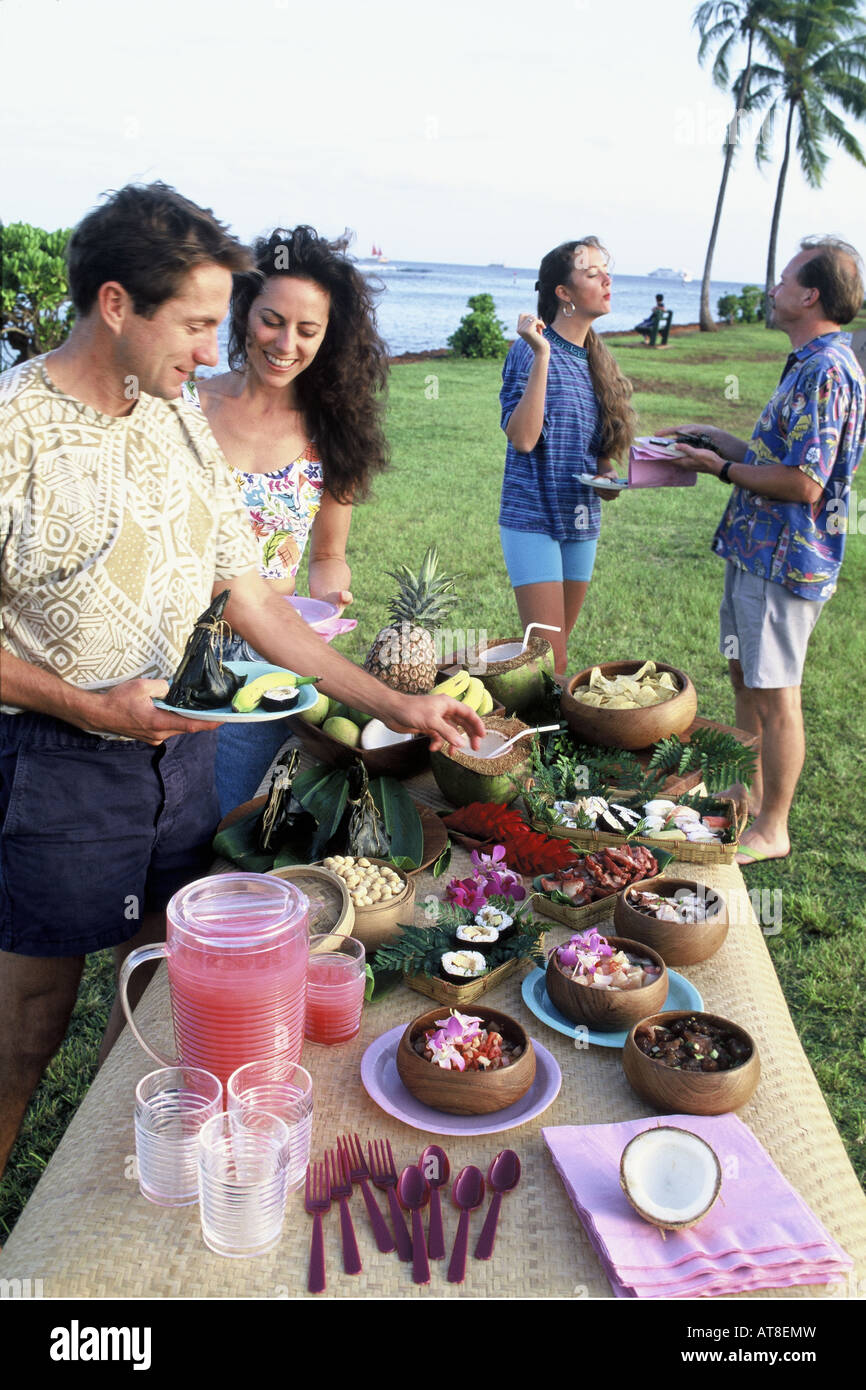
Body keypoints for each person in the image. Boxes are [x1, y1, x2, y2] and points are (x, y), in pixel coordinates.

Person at [0, 183, 484, 1182]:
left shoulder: (176, 423)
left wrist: (394, 703)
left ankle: (106, 1189)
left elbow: (254, 599)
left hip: (180, 762)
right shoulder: (16, 430)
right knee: (24, 1030)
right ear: (114, 303)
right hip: (53, 766)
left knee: (159, 993)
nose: (214, 348)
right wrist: (88, 706)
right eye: (197, 323)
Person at [663, 236, 865, 865]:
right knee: (746, 677)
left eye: (782, 282)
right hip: (759, 553)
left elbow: (804, 482)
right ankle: (743, 793)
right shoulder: (807, 362)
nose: (772, 290)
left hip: (787, 560)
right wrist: (715, 440)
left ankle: (773, 827)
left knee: (778, 697)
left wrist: (720, 470)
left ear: (809, 295)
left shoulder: (829, 370)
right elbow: (779, 458)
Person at [187, 225, 390, 816]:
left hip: (264, 660)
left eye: (308, 330)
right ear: (244, 311)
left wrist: (330, 592)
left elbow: (327, 554)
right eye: (272, 320)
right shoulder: (185, 406)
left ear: (329, 336)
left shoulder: (333, 434)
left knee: (223, 816)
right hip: (166, 647)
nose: (286, 343)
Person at [498, 238, 636, 677]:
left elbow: (595, 453)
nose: (606, 279)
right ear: (564, 292)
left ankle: (533, 729)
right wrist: (541, 356)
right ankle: (531, 741)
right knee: (549, 661)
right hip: (532, 520)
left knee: (556, 657)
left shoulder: (597, 360)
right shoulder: (531, 347)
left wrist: (606, 475)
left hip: (581, 520)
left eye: (605, 271)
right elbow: (522, 438)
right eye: (592, 273)